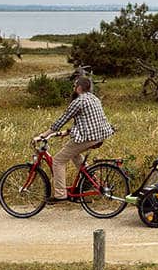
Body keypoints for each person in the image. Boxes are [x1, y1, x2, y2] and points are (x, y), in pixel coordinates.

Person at [34, 75, 115, 203]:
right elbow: (87, 121)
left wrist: (44, 134)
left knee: (58, 161)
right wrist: (67, 132)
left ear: (79, 88)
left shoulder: (79, 101)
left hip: (88, 137)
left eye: (74, 86)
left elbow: (62, 119)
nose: (73, 88)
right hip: (99, 136)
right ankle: (89, 179)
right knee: (74, 154)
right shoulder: (94, 98)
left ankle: (60, 195)